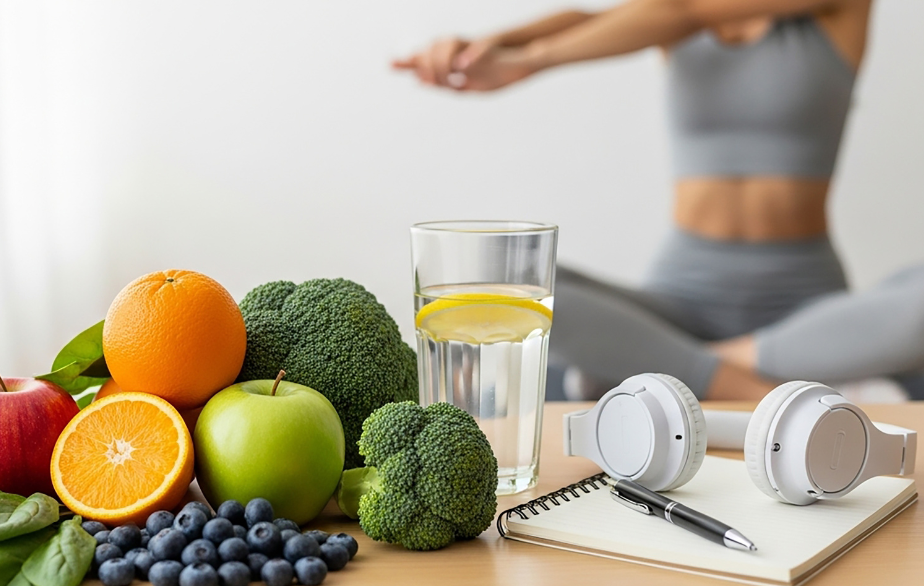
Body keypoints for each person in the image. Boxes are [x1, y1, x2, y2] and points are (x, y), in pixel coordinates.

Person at [393, 0, 924, 401]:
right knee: (494, 272)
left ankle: (686, 367)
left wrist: (528, 58)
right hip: (681, 299)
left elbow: (683, 9)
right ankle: (739, 376)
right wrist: (487, 45)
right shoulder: (666, 19)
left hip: (806, 306)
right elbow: (591, 19)